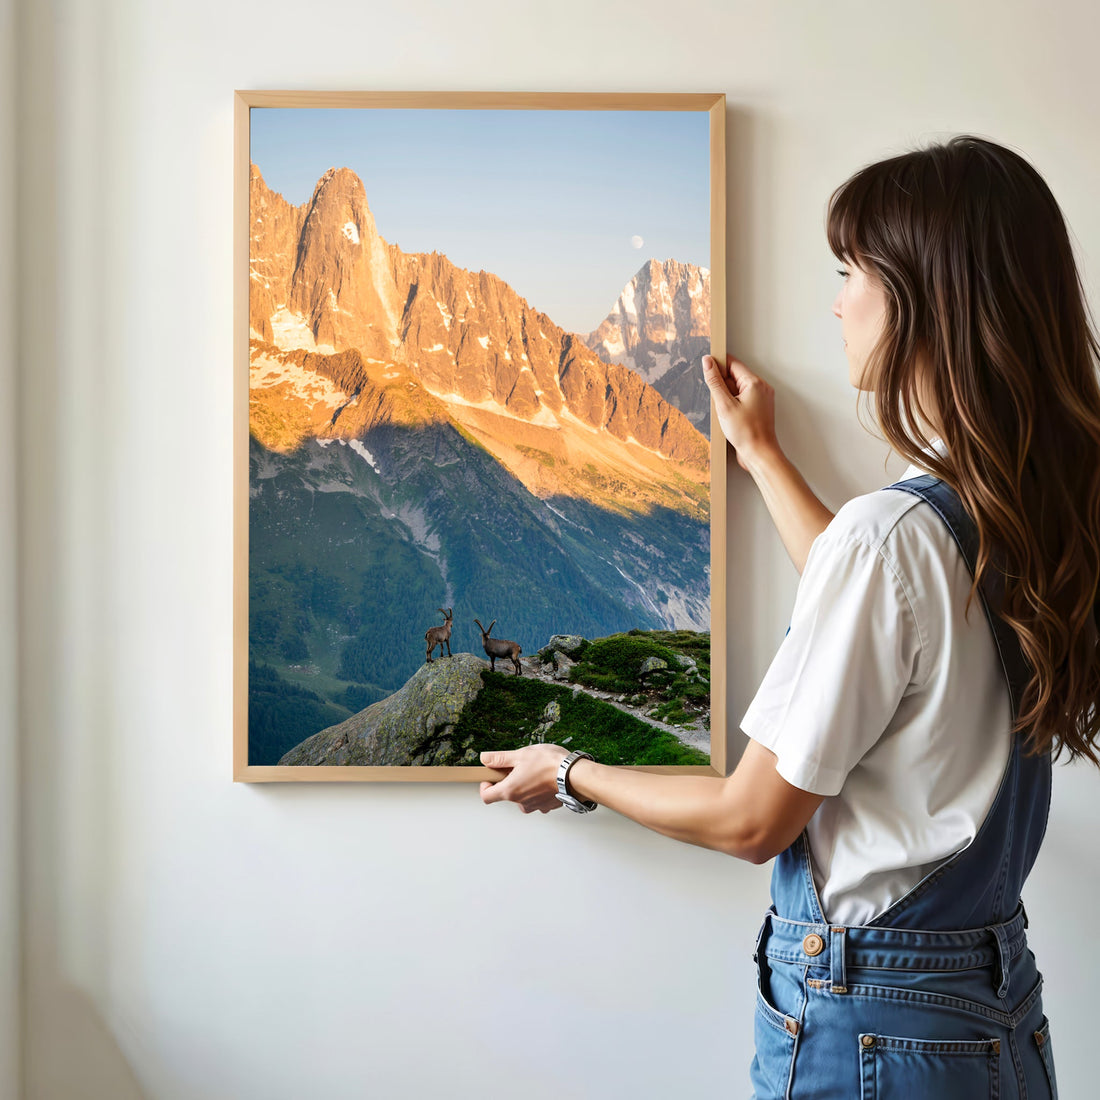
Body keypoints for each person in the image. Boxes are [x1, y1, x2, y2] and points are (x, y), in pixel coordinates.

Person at [478, 134, 1100, 1098]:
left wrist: (570, 771)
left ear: (925, 300)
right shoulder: (1018, 508)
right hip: (988, 1014)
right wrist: (764, 456)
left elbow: (750, 819)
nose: (838, 300)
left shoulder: (894, 536)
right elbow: (890, 623)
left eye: (852, 272)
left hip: (873, 1029)